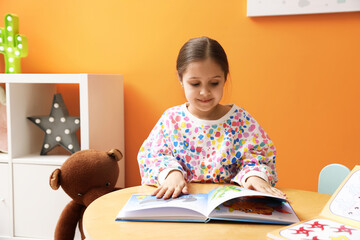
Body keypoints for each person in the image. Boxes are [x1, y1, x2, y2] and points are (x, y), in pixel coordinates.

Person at [137, 36, 285, 200]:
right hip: (181, 207)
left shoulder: (241, 121)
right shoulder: (171, 119)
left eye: (214, 83)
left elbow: (258, 157)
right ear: (181, 80)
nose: (204, 92)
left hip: (228, 211)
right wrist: (171, 174)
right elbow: (152, 156)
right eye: (195, 84)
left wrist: (254, 177)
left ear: (224, 79)